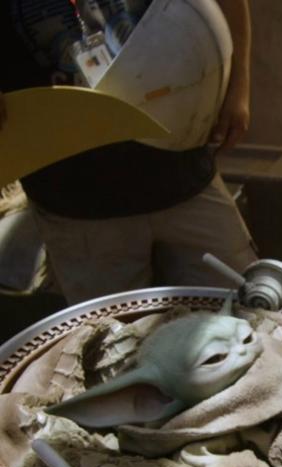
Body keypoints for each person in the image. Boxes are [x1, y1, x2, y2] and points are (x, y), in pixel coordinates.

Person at [0, 0, 257, 305]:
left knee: (245, 314)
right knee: (113, 341)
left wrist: (238, 86)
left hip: (183, 173)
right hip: (76, 203)